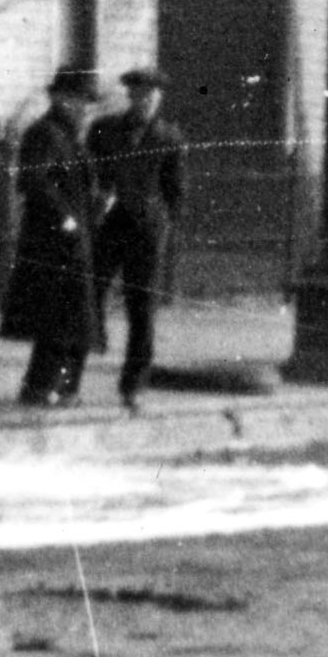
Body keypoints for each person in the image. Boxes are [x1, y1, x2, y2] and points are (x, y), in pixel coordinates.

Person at [0, 65, 106, 405]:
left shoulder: (73, 137)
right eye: (75, 100)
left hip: (77, 240)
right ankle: (42, 386)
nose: (82, 108)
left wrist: (98, 200)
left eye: (87, 102)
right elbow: (34, 181)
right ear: (58, 98)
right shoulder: (44, 133)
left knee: (75, 320)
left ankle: (63, 388)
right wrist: (65, 218)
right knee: (59, 320)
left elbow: (77, 183)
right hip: (53, 241)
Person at [85, 65, 185, 406]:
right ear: (130, 97)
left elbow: (175, 190)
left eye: (152, 96)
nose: (145, 102)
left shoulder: (169, 137)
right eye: (139, 95)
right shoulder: (105, 130)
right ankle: (71, 374)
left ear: (159, 99)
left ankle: (134, 385)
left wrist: (164, 225)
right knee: (89, 296)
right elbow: (88, 172)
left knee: (141, 310)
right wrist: (98, 196)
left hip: (146, 232)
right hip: (108, 226)